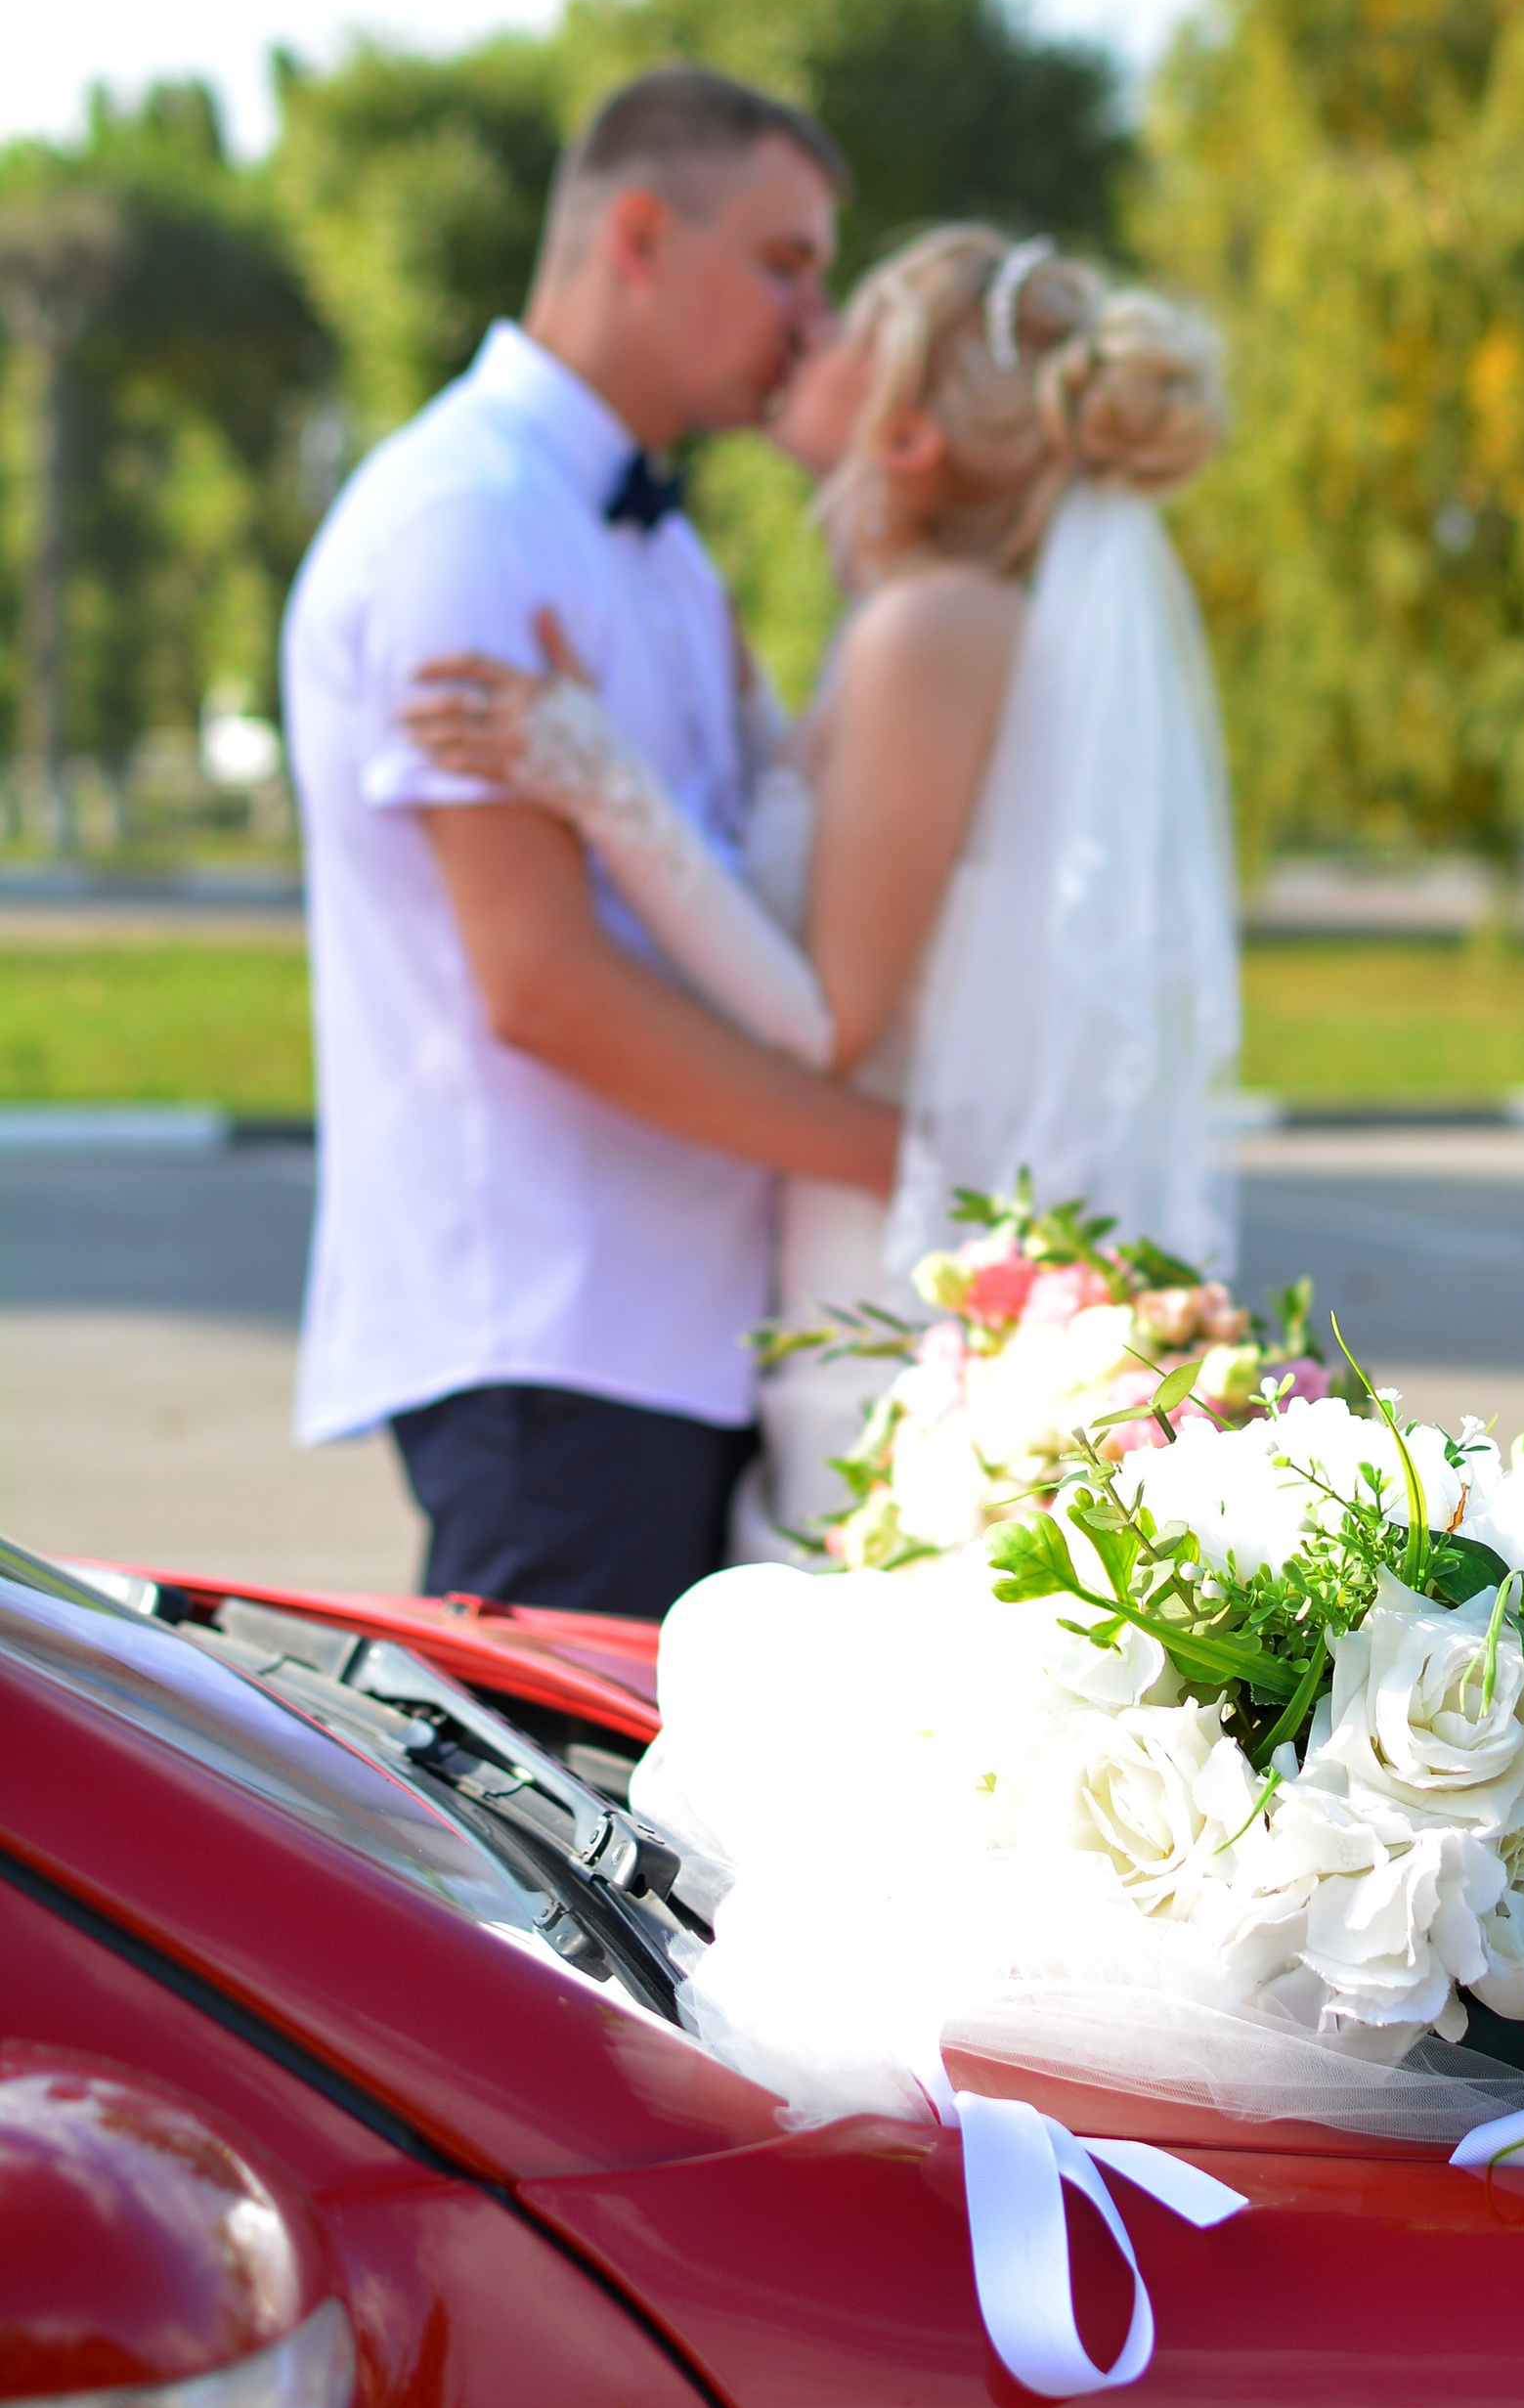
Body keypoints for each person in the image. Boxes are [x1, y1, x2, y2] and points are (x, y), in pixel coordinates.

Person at [399, 222, 1235, 1554]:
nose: (811, 329)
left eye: (853, 322)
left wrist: (601, 783)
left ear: (907, 441)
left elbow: (825, 1018)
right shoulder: (922, 618)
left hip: (880, 1257)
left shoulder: (933, 624)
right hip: (858, 1237)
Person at [282, 66, 900, 1619]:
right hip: (554, 1341)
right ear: (640, 232)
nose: (814, 325)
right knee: (547, 1850)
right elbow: (542, 982)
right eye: (785, 263)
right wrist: (912, 1163)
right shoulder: (463, 523)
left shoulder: (661, 542)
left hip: (688, 1339)